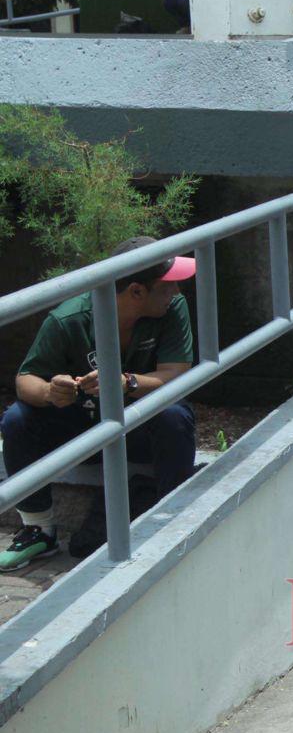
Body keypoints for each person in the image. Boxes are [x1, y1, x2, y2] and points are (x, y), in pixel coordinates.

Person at [0, 237, 198, 571]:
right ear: (136, 291)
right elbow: (25, 380)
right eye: (168, 284)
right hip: (80, 428)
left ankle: (172, 525)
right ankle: (38, 529)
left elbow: (176, 374)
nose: (177, 291)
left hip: (136, 427)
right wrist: (51, 391)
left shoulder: (171, 308)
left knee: (174, 417)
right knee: (17, 419)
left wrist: (126, 382)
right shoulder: (69, 318)